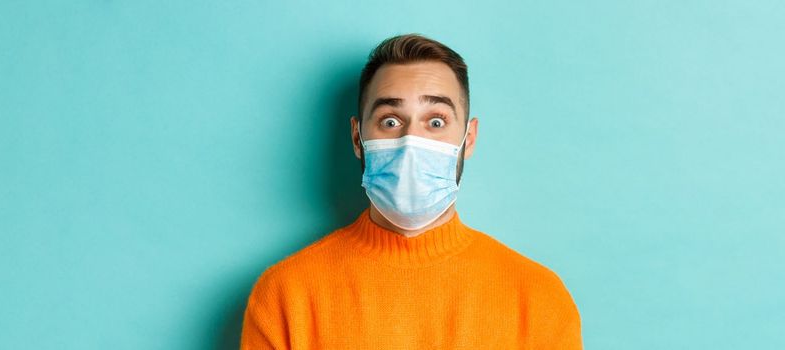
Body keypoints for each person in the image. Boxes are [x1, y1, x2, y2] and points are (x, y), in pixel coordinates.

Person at [240, 33, 582, 349]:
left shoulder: (538, 299)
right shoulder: (286, 296)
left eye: (436, 121)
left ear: (469, 138)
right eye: (390, 121)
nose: (410, 143)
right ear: (358, 138)